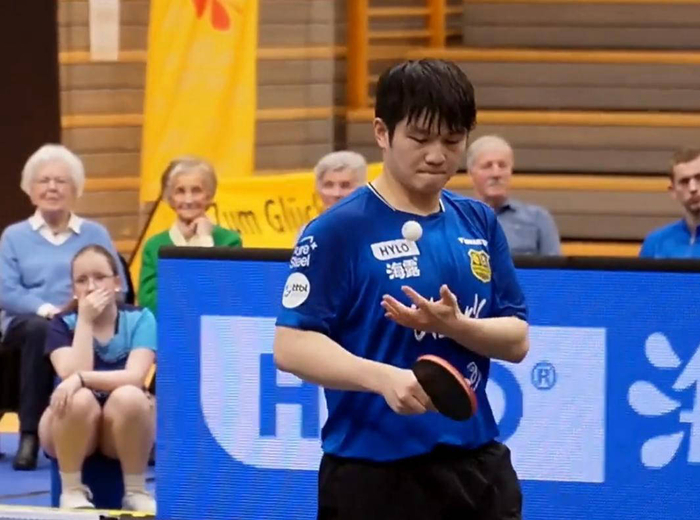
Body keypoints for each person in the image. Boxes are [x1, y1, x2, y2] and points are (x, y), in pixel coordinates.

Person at [274, 59, 529, 520]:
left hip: (478, 468)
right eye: (420, 138)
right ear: (382, 132)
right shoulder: (337, 230)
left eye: (452, 140)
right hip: (374, 476)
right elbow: (291, 346)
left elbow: (516, 340)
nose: (437, 155)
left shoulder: (479, 222)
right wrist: (384, 379)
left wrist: (456, 326)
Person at [0, 144, 126, 470]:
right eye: (44, 181)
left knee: (63, 330)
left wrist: (83, 308)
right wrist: (48, 310)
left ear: (75, 189)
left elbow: (119, 286)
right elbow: (6, 291)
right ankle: (30, 434)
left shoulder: (95, 233)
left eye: (61, 181)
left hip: (85, 318)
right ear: (30, 190)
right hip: (27, 322)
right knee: (40, 330)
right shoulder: (14, 236)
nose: (52, 188)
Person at [38, 245, 156, 512]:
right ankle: (71, 490)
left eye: (100, 277)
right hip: (68, 427)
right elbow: (70, 372)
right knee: (77, 399)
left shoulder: (141, 318)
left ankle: (135, 491)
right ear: (73, 290)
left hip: (120, 426)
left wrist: (81, 378)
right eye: (82, 280)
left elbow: (135, 376)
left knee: (131, 396)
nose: (91, 287)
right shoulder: (61, 323)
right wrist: (85, 321)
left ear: (117, 283)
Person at [138, 156, 242, 315]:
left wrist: (206, 242)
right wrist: (198, 291)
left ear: (209, 195)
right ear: (170, 198)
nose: (188, 200)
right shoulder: (154, 246)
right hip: (169, 328)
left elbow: (226, 296)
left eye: (196, 191)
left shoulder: (230, 241)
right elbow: (149, 304)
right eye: (180, 191)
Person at [467, 135, 561, 256]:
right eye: (487, 166)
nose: (496, 174)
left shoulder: (539, 218)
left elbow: (554, 266)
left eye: (502, 166)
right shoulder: (457, 219)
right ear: (471, 173)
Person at [640, 147, 700, 258]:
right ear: (673, 192)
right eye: (684, 182)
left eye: (699, 178)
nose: (693, 188)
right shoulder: (655, 243)